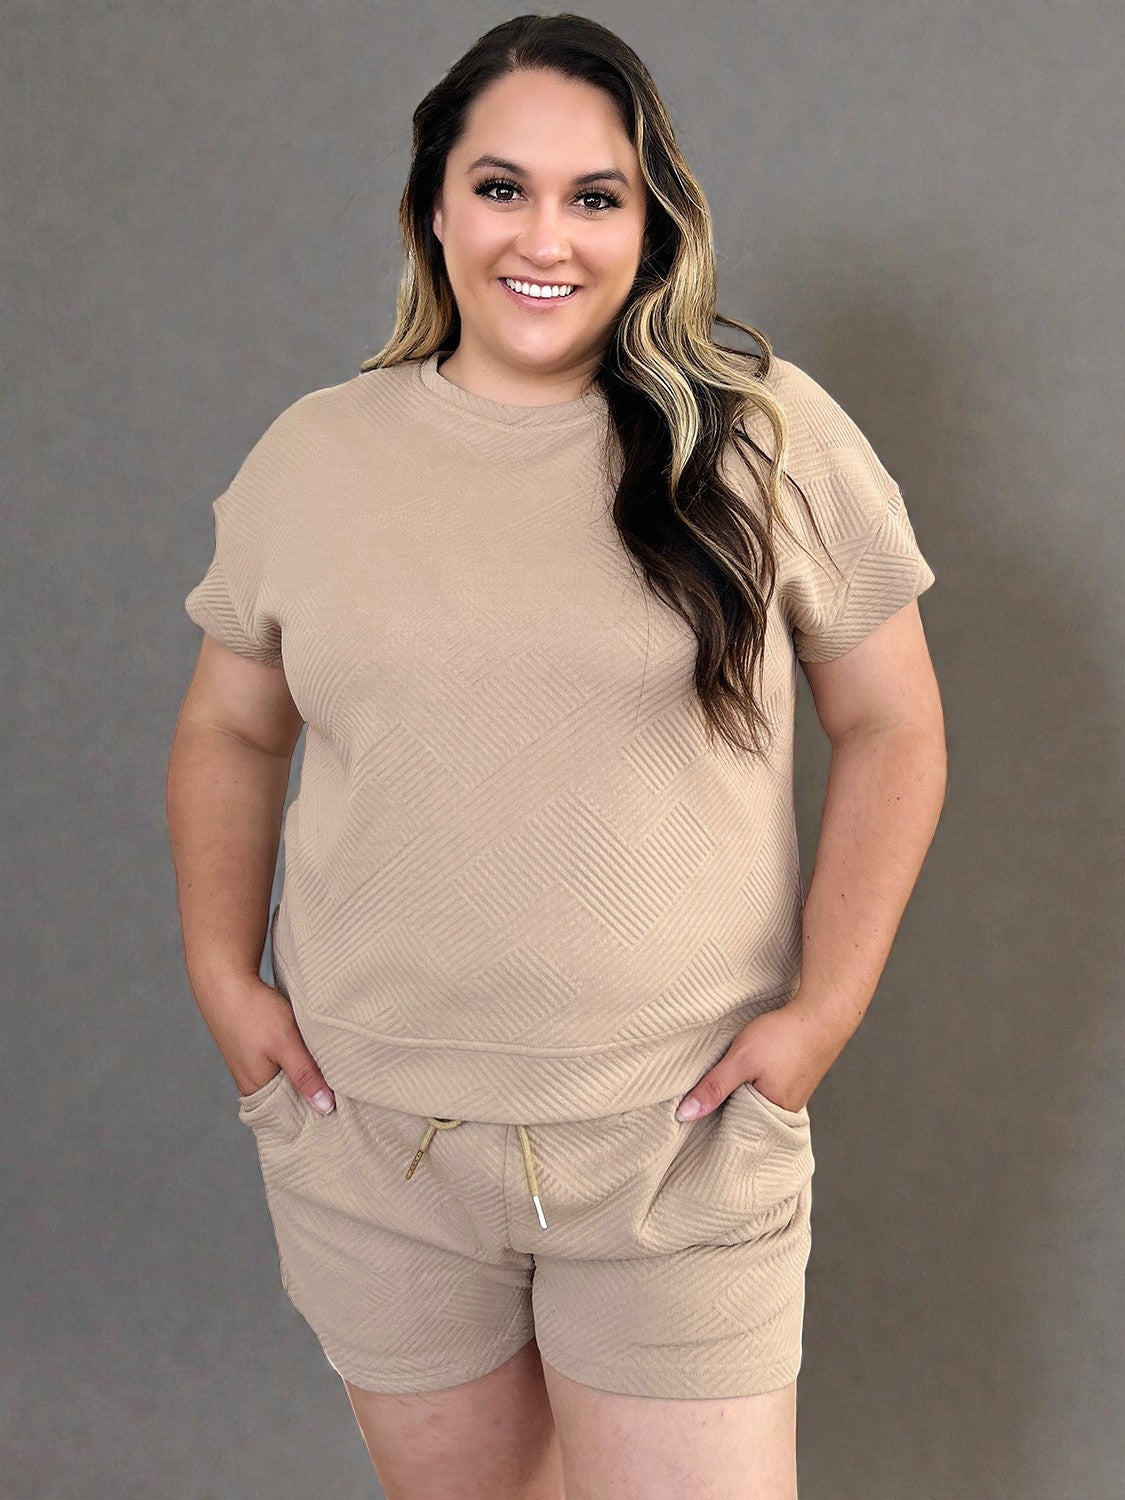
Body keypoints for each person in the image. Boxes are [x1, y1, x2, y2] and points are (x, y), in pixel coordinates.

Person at [166, 13, 946, 1499]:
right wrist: (221, 970)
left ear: (650, 220)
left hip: (676, 1141)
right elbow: (228, 722)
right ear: (433, 208)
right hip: (375, 1137)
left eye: (595, 195)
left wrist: (823, 1014)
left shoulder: (762, 435)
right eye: (500, 185)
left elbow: (895, 722)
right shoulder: (314, 456)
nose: (548, 235)